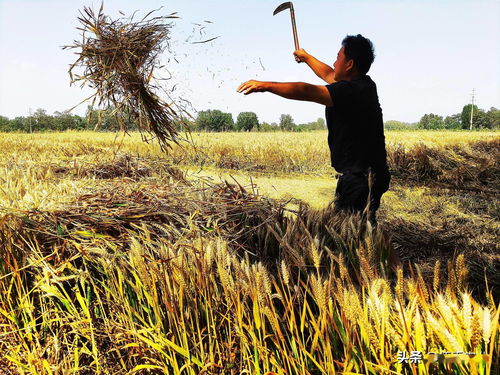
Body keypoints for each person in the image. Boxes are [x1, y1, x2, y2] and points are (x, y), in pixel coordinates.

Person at [237, 34, 390, 224]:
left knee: (350, 234)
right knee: (366, 230)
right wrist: (306, 57)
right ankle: (383, 253)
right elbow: (327, 73)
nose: (334, 63)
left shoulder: (352, 91)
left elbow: (306, 90)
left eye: (338, 58)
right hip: (367, 174)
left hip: (362, 178)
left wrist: (266, 85)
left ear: (349, 64)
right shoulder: (362, 85)